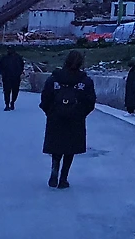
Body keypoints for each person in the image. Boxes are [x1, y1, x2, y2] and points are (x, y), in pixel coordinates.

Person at [39, 50, 95, 189]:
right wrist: (81, 113)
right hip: (75, 119)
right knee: (70, 148)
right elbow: (90, 102)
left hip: (56, 117)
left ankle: (54, 170)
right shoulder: (85, 81)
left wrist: (50, 112)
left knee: (56, 146)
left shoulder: (54, 78)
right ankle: (63, 178)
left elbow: (45, 98)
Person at [0, 46, 24, 111]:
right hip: (6, 78)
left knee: (15, 91)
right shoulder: (4, 58)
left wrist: (19, 73)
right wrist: (3, 74)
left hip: (16, 78)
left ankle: (12, 102)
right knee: (7, 91)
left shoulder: (18, 58)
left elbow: (21, 66)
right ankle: (7, 104)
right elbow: (0, 66)